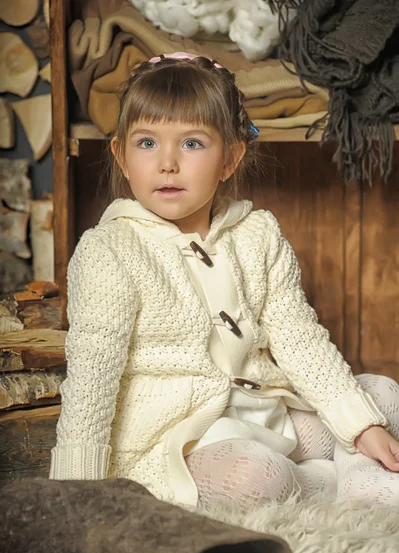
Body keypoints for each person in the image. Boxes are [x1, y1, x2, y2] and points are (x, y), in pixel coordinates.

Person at [50, 52, 399, 510]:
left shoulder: (258, 234)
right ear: (120, 153)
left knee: (380, 396)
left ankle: (345, 472)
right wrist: (77, 495)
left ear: (231, 157)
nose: (167, 163)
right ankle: (331, 483)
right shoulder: (108, 250)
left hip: (266, 414)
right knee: (254, 475)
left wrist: (358, 424)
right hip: (180, 438)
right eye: (147, 143)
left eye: (192, 144)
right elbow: (91, 382)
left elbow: (299, 338)